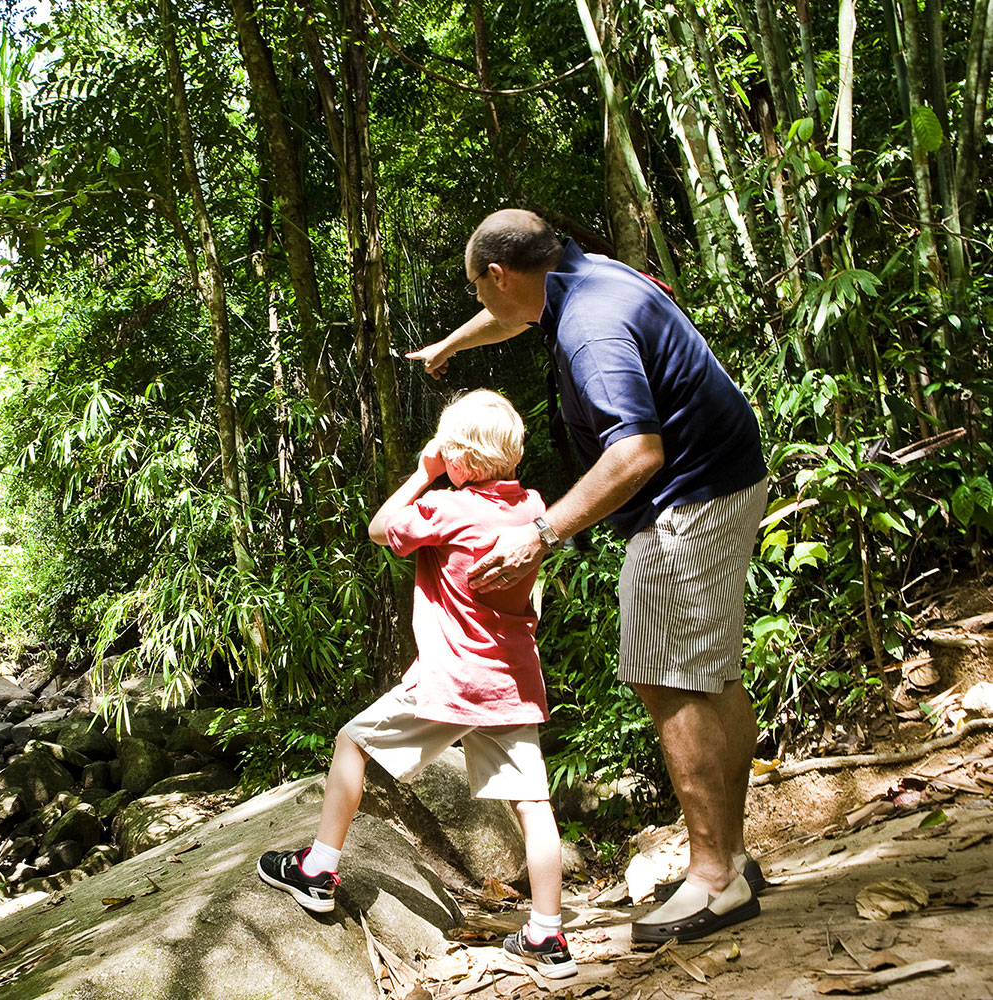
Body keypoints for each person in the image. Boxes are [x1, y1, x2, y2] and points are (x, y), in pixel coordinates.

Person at [405, 208, 769, 944]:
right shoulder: (581, 274)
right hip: (728, 477)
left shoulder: (589, 327)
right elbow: (506, 321)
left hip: (686, 502)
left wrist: (542, 532)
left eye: (479, 293)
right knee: (712, 674)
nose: (483, 308)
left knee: (668, 679)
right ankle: (731, 857)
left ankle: (713, 880)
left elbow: (636, 454)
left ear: (498, 275)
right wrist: (451, 343)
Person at [257, 390, 578, 979]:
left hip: (452, 679)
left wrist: (424, 472)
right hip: (509, 683)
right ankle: (547, 938)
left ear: (457, 458)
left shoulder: (448, 507)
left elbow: (381, 528)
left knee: (352, 741)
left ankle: (318, 869)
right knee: (533, 805)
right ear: (513, 453)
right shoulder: (532, 505)